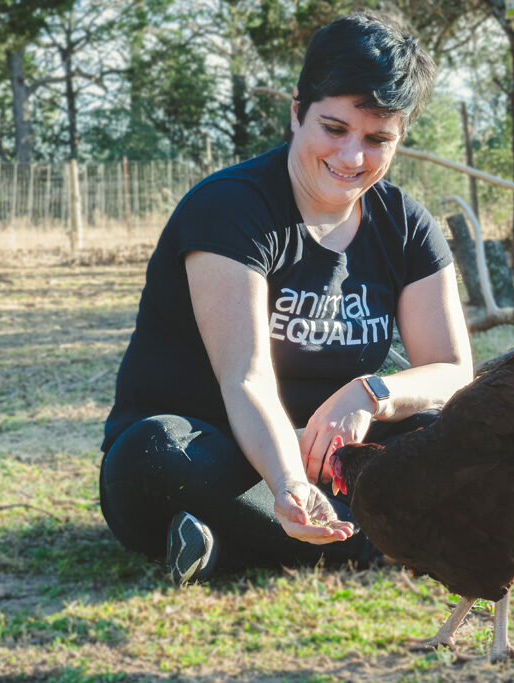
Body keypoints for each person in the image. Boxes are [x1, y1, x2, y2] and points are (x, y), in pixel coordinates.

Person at [99, 12, 473, 584]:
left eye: (377, 140)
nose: (352, 158)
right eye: (334, 128)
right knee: (155, 452)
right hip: (217, 450)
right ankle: (378, 537)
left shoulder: (405, 225)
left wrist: (371, 393)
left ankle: (219, 542)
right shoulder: (231, 209)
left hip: (333, 459)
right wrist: (289, 484)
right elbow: (245, 380)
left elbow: (451, 369)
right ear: (297, 109)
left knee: (442, 430)